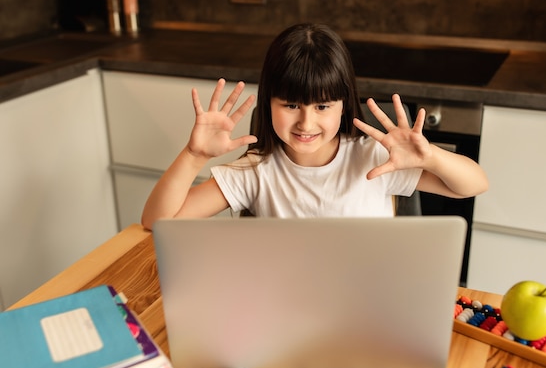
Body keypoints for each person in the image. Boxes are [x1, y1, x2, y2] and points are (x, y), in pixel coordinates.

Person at [141, 23, 488, 229]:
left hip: (367, 309)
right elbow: (157, 222)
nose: (306, 122)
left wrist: (431, 158)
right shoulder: (255, 171)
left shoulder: (374, 159)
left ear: (343, 104)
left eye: (322, 106)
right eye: (291, 105)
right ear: (269, 103)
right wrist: (193, 156)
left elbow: (473, 185)